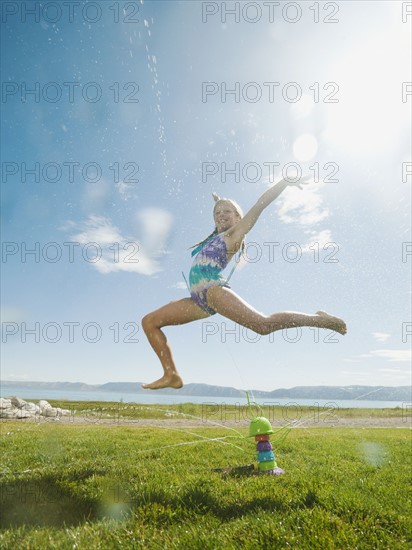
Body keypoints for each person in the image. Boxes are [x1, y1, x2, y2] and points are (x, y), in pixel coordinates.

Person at [141, 177, 347, 390]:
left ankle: (321, 320)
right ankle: (171, 374)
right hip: (196, 300)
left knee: (263, 325)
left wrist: (283, 183)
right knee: (149, 322)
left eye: (227, 212)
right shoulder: (215, 236)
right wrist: (219, 201)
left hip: (213, 291)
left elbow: (261, 204)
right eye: (217, 213)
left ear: (239, 218)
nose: (221, 214)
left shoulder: (234, 235)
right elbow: (223, 214)